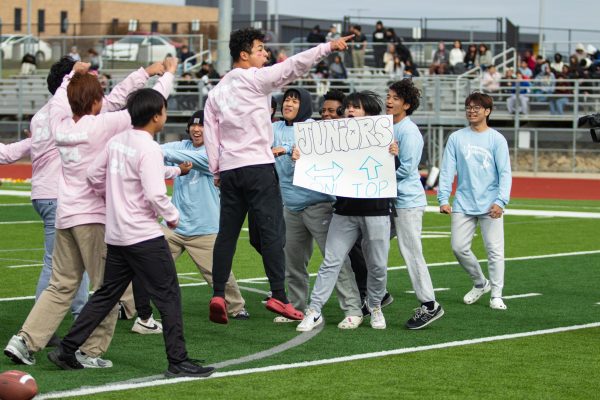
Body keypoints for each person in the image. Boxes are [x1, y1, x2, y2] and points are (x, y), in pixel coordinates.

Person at [4, 59, 176, 368]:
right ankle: (90, 351)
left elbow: (59, 95)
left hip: (65, 216)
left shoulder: (59, 122)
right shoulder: (101, 125)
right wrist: (167, 75)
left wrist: (73, 73)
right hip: (92, 218)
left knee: (61, 284)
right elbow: (145, 107)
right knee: (106, 289)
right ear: (97, 102)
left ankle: (25, 341)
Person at [47, 88, 215, 378]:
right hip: (144, 236)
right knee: (169, 296)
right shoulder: (148, 147)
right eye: (163, 110)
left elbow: (93, 176)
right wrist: (173, 217)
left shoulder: (117, 141)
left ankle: (67, 348)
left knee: (105, 295)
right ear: (155, 116)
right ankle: (178, 361)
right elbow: (154, 193)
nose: (165, 115)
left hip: (117, 235)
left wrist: (113, 197)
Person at [202, 28, 354, 324]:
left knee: (227, 234)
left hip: (231, 170)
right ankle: (279, 297)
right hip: (258, 166)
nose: (266, 53)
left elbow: (211, 133)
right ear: (244, 55)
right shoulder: (256, 79)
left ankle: (219, 294)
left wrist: (216, 170)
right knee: (273, 233)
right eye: (260, 49)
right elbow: (293, 65)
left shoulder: (216, 92)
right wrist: (327, 47)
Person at [295, 91, 399, 332]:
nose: (350, 110)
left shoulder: (384, 137)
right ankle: (314, 310)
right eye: (349, 107)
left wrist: (393, 154)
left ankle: (374, 305)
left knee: (378, 265)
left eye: (356, 107)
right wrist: (300, 157)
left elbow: (392, 170)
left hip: (376, 210)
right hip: (344, 210)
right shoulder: (336, 135)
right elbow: (316, 160)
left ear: (370, 112)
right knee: (330, 261)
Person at [271, 88, 363, 328]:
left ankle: (353, 309)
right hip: (290, 206)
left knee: (335, 260)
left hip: (319, 204)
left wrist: (302, 155)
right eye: (286, 100)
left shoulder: (316, 128)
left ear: (304, 105)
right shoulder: (273, 129)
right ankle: (296, 305)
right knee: (293, 262)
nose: (288, 104)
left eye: (294, 100)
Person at [438, 92, 512, 311]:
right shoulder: (456, 138)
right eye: (468, 107)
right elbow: (447, 170)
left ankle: (496, 294)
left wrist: (501, 201)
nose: (471, 111)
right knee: (458, 247)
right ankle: (481, 283)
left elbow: (505, 173)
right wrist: (443, 198)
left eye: (476, 108)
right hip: (463, 202)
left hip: (491, 204)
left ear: (487, 111)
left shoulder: (496, 139)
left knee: (495, 251)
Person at [386, 79, 445, 329]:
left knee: (411, 252)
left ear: (407, 105)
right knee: (366, 246)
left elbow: (407, 169)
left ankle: (429, 304)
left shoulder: (409, 132)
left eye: (395, 98)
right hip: (387, 199)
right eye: (388, 96)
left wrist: (379, 174)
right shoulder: (386, 126)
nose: (389, 101)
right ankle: (377, 295)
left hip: (406, 201)